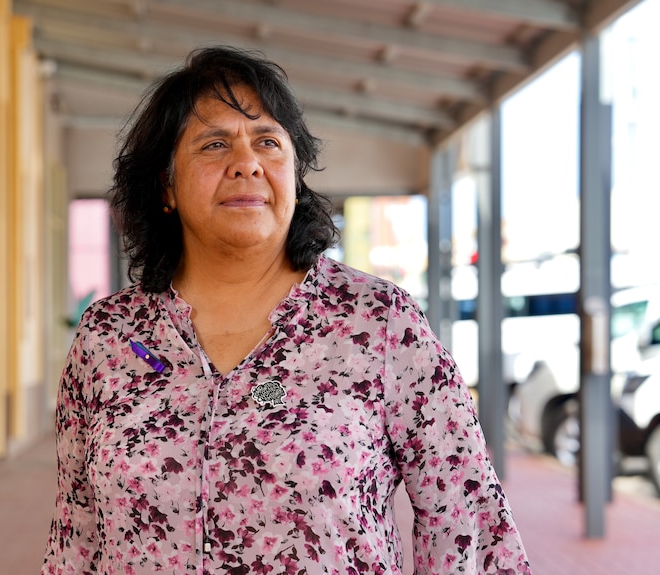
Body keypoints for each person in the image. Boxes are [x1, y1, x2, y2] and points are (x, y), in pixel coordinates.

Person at [42, 46, 531, 575]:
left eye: (268, 142)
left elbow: (468, 522)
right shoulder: (109, 337)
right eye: (214, 144)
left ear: (294, 178)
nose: (246, 162)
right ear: (166, 186)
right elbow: (77, 535)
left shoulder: (377, 322)